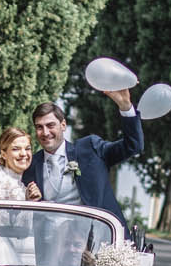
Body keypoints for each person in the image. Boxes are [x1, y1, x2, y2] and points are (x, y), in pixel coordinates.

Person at [24, 89, 143, 220]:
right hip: (50, 238)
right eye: (39, 127)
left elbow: (133, 146)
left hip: (96, 236)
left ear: (63, 125)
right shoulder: (30, 165)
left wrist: (125, 107)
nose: (45, 132)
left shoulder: (90, 149)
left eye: (50, 125)